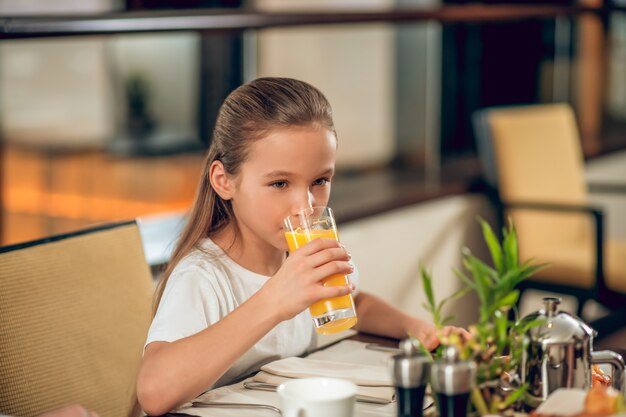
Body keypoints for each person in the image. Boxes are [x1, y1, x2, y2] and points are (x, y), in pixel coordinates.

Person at [136, 77, 469, 416]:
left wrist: (425, 331)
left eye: (319, 181)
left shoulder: (294, 253)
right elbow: (153, 393)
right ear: (224, 181)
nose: (305, 206)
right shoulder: (203, 275)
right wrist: (275, 300)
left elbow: (354, 305)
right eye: (280, 183)